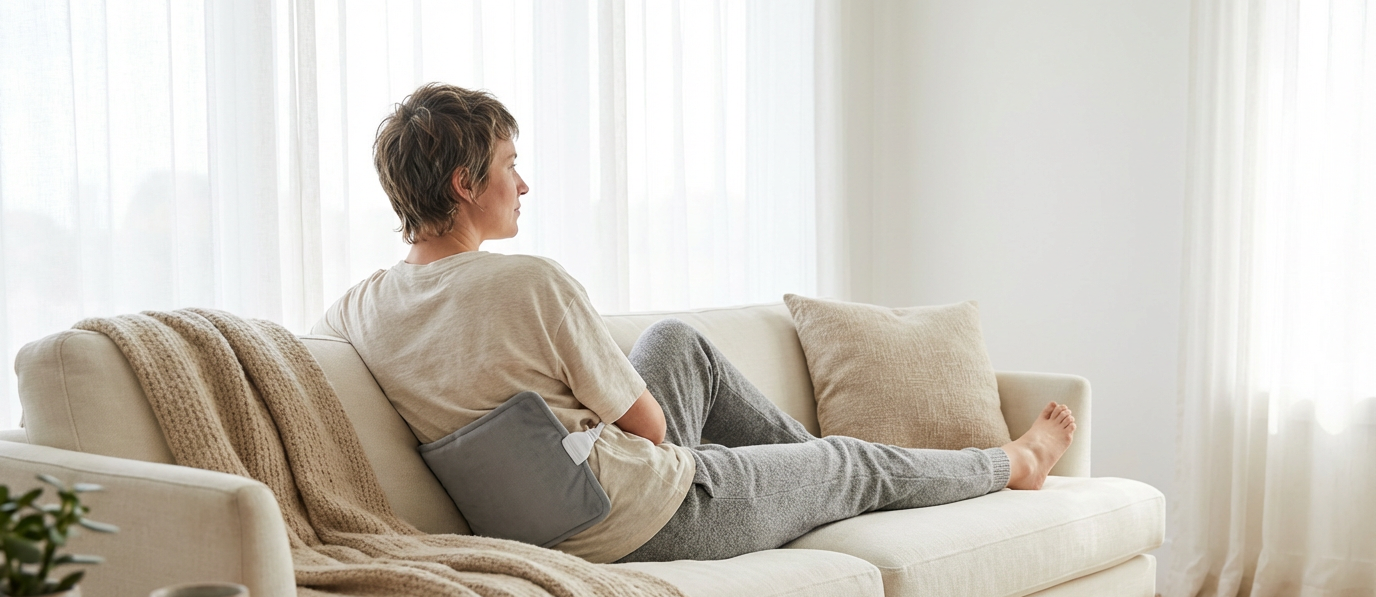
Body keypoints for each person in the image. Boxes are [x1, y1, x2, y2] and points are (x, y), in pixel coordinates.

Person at [315, 83, 1076, 565]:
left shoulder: (356, 309)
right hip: (639, 518)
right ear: (463, 183)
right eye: (510, 165)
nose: (523, 184)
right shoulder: (529, 283)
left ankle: (808, 483)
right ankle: (1013, 464)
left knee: (679, 342)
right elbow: (648, 432)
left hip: (544, 513)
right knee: (850, 461)